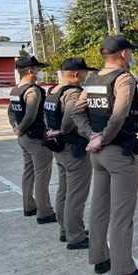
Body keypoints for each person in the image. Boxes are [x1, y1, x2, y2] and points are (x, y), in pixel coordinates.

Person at [72, 35, 138, 275]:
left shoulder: (93, 79)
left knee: (100, 208)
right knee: (122, 214)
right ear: (123, 54)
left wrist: (91, 136)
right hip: (118, 152)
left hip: (98, 155)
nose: (132, 56)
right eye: (131, 52)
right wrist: (102, 138)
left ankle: (100, 258)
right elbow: (119, 115)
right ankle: (124, 271)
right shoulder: (124, 79)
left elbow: (77, 110)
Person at [43, 57, 98, 249]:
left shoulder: (53, 91)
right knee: (76, 195)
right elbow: (69, 120)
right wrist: (63, 131)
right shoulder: (74, 94)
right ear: (76, 74)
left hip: (59, 148)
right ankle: (76, 236)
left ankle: (65, 229)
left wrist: (55, 132)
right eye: (84, 72)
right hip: (73, 148)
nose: (86, 75)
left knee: (64, 191)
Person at [8, 55, 56, 224]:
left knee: (29, 171)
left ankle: (29, 205)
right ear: (30, 71)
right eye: (38, 69)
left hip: (23, 138)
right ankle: (45, 212)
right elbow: (31, 115)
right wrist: (21, 128)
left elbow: (11, 112)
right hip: (35, 138)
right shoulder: (32, 91)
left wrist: (15, 127)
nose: (40, 72)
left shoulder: (15, 90)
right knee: (42, 175)